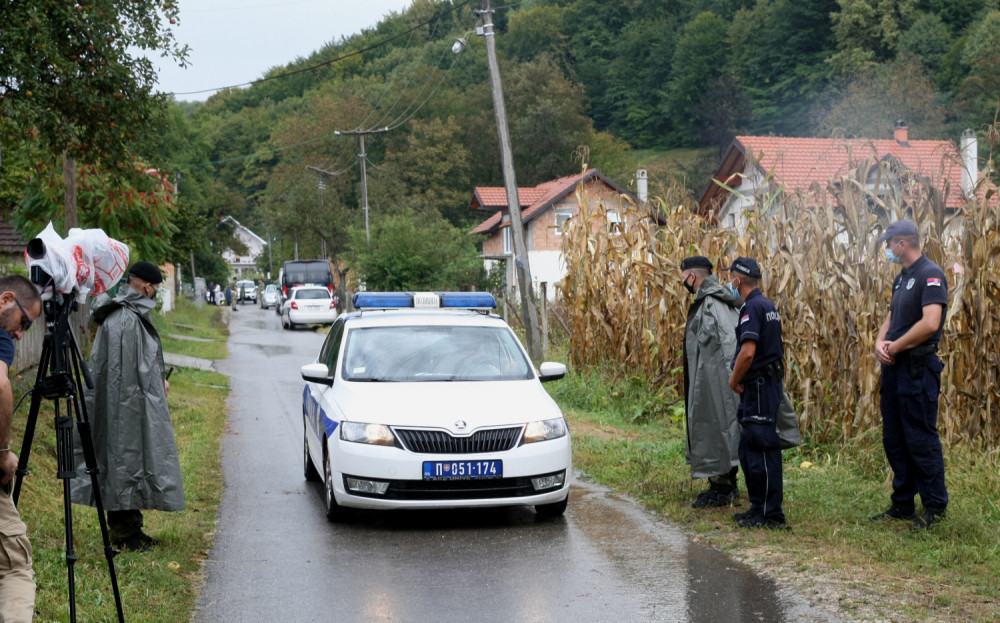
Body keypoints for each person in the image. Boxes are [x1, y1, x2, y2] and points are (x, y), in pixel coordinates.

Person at [70, 262, 185, 552]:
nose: (155, 293)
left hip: (131, 401)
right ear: (147, 287)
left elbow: (140, 362)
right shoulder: (125, 320)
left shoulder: (128, 314)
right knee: (124, 460)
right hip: (125, 406)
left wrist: (158, 380)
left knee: (130, 461)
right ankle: (123, 533)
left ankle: (131, 526)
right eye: (155, 289)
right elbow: (122, 374)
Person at [871, 220, 949, 530]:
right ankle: (902, 503)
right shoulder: (901, 278)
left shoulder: (931, 275)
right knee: (895, 438)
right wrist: (880, 342)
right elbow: (890, 318)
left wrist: (895, 347)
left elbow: (930, 323)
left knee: (920, 439)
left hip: (917, 369)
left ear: (902, 243)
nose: (888, 249)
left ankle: (934, 508)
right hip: (894, 370)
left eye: (889, 244)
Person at [725, 257, 788, 530]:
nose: (731, 283)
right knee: (750, 445)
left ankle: (770, 513)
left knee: (762, 447)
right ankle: (757, 507)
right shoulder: (767, 305)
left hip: (759, 386)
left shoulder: (752, 307)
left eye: (732, 278)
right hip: (762, 385)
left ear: (738, 280)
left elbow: (748, 352)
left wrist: (734, 379)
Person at [680, 255, 742, 508]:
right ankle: (729, 481)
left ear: (692, 277)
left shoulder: (708, 306)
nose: (682, 282)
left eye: (682, 278)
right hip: (729, 379)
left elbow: (713, 352)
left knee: (715, 424)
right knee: (726, 425)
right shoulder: (725, 300)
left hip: (713, 381)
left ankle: (721, 488)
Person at [0, 276, 42, 622]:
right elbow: (0, 384)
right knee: (16, 566)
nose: (20, 333)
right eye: (24, 321)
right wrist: (2, 452)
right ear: (6, 300)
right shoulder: (1, 337)